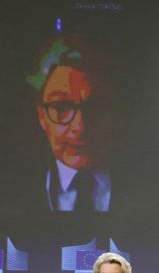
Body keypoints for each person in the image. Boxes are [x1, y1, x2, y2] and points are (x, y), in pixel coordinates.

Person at [27, 35, 124, 213]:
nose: (80, 127)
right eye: (62, 106)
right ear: (41, 115)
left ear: (116, 112)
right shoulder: (9, 192)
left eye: (95, 106)